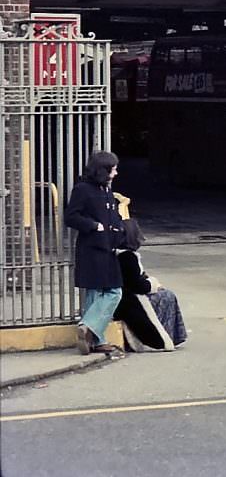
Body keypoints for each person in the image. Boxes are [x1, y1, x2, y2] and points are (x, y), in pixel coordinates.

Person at [64, 151, 126, 358]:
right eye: (113, 169)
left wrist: (119, 229)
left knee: (96, 294)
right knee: (113, 292)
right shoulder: (83, 190)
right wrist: (94, 226)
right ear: (103, 170)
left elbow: (112, 215)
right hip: (92, 248)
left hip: (108, 247)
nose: (116, 173)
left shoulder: (106, 190)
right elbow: (71, 217)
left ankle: (93, 339)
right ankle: (89, 326)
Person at [112, 211, 188, 352]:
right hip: (130, 301)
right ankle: (170, 335)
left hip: (125, 298)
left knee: (164, 295)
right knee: (167, 296)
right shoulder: (128, 258)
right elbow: (137, 286)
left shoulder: (119, 255)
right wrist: (153, 284)